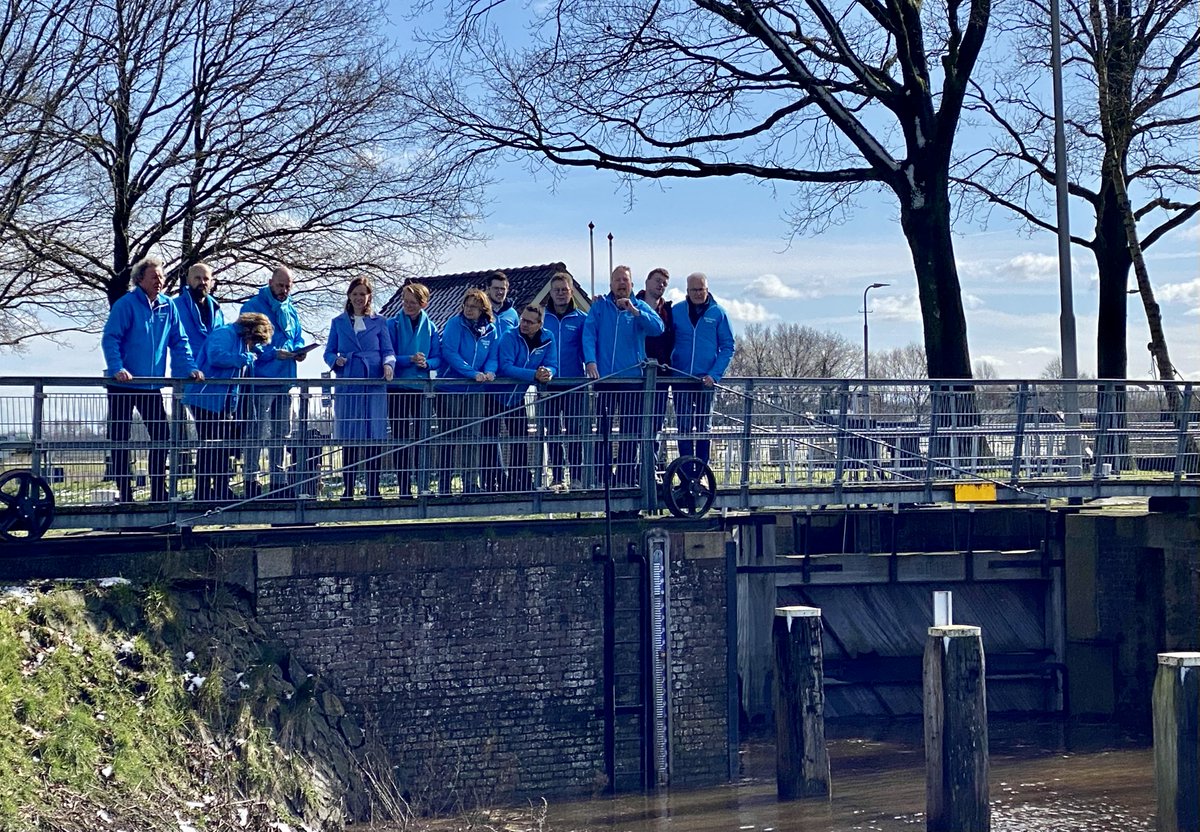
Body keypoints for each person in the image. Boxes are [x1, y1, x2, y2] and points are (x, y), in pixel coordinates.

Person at [101, 255, 203, 503]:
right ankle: (125, 493)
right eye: (154, 277)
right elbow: (111, 338)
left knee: (161, 436)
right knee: (120, 439)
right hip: (123, 384)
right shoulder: (125, 305)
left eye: (162, 277)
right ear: (139, 280)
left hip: (151, 384)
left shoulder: (169, 307)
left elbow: (180, 341)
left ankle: (158, 490)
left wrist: (189, 367)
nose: (159, 281)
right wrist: (117, 368)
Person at [582, 265, 665, 487]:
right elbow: (589, 334)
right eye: (617, 280)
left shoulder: (639, 307)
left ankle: (626, 477)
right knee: (603, 430)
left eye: (625, 281)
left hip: (632, 380)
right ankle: (603, 477)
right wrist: (590, 361)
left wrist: (634, 312)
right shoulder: (600, 307)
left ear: (631, 285)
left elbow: (658, 327)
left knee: (631, 431)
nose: (621, 284)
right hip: (605, 379)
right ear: (611, 284)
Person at [183, 313, 273, 502]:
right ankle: (204, 491)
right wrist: (241, 358)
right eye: (253, 341)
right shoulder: (224, 333)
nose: (252, 345)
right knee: (210, 445)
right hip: (206, 398)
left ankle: (221, 488)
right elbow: (216, 356)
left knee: (222, 446)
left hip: (224, 401)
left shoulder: (239, 339)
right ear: (249, 331)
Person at [324, 277, 395, 499]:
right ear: (349, 296)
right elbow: (328, 352)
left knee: (374, 435)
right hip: (349, 384)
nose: (358, 298)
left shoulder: (380, 322)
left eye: (362, 294)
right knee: (350, 437)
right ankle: (348, 489)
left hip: (373, 384)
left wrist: (388, 365)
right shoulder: (338, 322)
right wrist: (336, 361)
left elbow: (388, 351)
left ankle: (373, 489)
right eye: (355, 293)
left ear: (369, 297)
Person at [239, 265, 307, 497]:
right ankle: (251, 480)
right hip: (261, 379)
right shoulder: (253, 307)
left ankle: (279, 479)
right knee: (257, 431)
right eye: (280, 285)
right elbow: (247, 342)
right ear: (270, 282)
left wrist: (300, 350)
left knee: (282, 432)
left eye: (288, 286)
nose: (284, 290)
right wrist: (271, 354)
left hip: (286, 379)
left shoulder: (292, 309)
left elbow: (297, 336)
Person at [440, 287, 501, 493]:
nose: (469, 310)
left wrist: (490, 371)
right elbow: (450, 352)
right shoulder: (454, 324)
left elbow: (493, 355)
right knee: (448, 438)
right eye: (466, 306)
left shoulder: (491, 330)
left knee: (472, 437)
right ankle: (444, 483)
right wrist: (471, 373)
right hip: (451, 388)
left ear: (483, 309)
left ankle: (469, 482)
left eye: (474, 307)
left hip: (476, 390)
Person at [670, 272, 735, 464]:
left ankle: (702, 472)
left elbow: (728, 346)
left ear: (707, 289)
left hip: (706, 381)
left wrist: (714, 375)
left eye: (702, 289)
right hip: (681, 378)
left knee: (704, 426)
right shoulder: (676, 311)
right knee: (683, 427)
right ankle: (685, 473)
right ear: (687, 291)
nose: (698, 293)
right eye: (694, 290)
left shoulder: (718, 313)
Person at [388, 282, 443, 496]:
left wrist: (427, 363)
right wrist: (408, 359)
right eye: (405, 301)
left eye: (413, 302)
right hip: (398, 388)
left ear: (423, 303)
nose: (408, 306)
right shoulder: (393, 325)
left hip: (421, 390)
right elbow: (389, 355)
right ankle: (403, 487)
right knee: (400, 438)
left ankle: (422, 484)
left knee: (422, 437)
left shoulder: (431, 327)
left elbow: (438, 358)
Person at [496, 304, 557, 491]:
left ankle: (520, 480)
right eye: (523, 319)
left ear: (539, 324)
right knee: (489, 441)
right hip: (495, 395)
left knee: (520, 439)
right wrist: (533, 375)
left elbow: (553, 363)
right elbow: (505, 367)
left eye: (530, 322)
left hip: (517, 398)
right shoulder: (509, 336)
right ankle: (495, 481)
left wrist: (548, 373)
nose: (524, 324)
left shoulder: (548, 338)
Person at [540, 271, 587, 489]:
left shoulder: (582, 320)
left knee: (575, 431)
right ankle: (557, 477)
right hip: (548, 384)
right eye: (556, 290)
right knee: (551, 431)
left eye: (564, 290)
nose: (560, 294)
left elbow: (588, 349)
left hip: (574, 383)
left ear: (571, 293)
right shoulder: (541, 318)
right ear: (551, 292)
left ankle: (576, 476)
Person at [636, 267, 675, 467]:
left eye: (664, 283)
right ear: (647, 281)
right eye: (657, 280)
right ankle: (630, 471)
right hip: (636, 374)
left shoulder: (668, 311)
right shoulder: (632, 305)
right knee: (634, 424)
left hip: (661, 375)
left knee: (656, 425)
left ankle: (649, 469)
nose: (660, 285)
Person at [173, 263, 224, 361]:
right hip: (184, 371)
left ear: (211, 282)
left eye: (206, 279)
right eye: (197, 278)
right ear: (188, 280)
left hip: (211, 370)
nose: (202, 282)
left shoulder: (218, 311)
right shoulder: (175, 307)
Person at [486, 271, 519, 337]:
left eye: (503, 289)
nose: (500, 292)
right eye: (496, 288)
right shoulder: (481, 311)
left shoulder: (513, 314)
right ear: (488, 289)